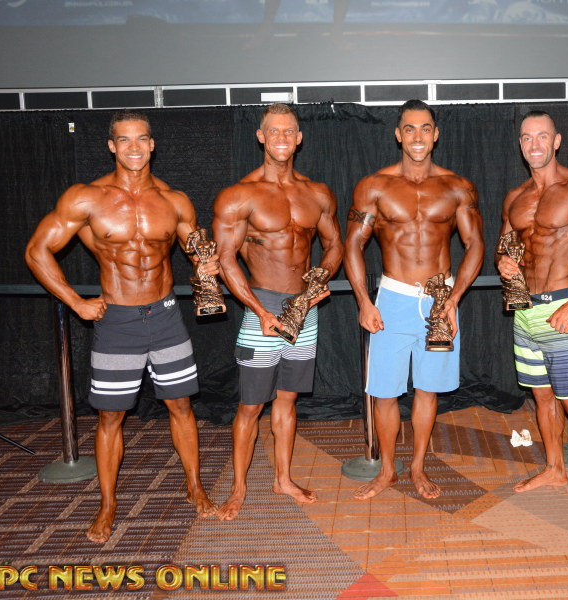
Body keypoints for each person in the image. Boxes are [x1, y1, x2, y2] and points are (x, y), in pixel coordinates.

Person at [25, 110, 217, 542]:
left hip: (166, 316)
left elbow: (198, 253)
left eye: (141, 139)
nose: (134, 147)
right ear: (112, 146)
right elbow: (37, 250)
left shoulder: (175, 200)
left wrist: (207, 267)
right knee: (110, 417)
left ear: (152, 144)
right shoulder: (86, 198)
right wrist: (76, 302)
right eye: (124, 140)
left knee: (181, 406)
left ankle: (195, 486)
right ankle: (108, 504)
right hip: (118, 321)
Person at [344, 99, 484, 500]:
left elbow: (475, 244)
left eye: (425, 128)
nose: (417, 136)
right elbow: (352, 244)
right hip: (392, 299)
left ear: (435, 134)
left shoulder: (457, 187)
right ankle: (388, 469)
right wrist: (364, 301)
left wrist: (454, 298)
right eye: (409, 128)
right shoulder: (374, 186)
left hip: (440, 300)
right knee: (384, 392)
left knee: (427, 389)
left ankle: (419, 466)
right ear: (398, 134)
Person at [212, 103, 342, 518]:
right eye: (274, 131)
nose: (282, 138)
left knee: (287, 398)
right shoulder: (239, 195)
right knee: (251, 404)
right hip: (261, 309)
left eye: (289, 132)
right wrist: (257, 311)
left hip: (305, 310)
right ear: (261, 137)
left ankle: (283, 479)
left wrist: (319, 280)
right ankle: (238, 488)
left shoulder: (317, 193)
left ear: (299, 138)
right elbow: (226, 259)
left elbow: (334, 244)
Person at [496, 110, 568, 520]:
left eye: (542, 136)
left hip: (563, 306)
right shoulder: (515, 197)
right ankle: (554, 469)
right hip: (525, 312)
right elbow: (504, 246)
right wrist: (504, 263)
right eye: (527, 138)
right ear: (520, 144)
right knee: (541, 396)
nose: (534, 145)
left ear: (557, 140)